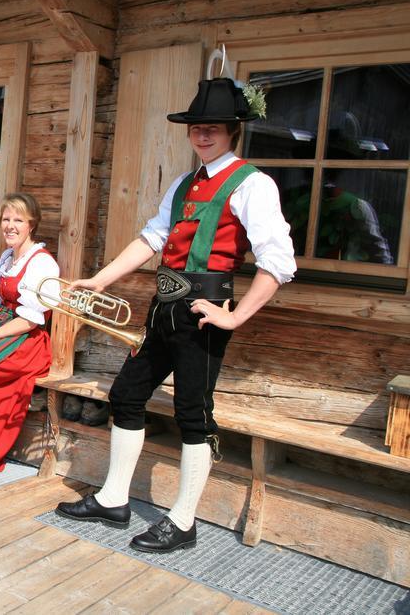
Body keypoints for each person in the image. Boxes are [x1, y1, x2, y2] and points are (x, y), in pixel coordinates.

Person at [55, 75, 296, 553]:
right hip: (162, 308)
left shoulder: (253, 184)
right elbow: (152, 239)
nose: (203, 135)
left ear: (233, 130)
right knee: (126, 395)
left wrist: (235, 316)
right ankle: (114, 498)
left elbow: (279, 261)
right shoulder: (186, 182)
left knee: (192, 414)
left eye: (214, 127)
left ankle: (183, 521)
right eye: (196, 128)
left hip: (205, 313)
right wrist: (100, 280)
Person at [0, 193, 60, 476]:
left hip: (26, 342)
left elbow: (30, 320)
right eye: (6, 219)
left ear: (32, 225)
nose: (10, 225)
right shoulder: (7, 257)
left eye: (18, 219)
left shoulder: (42, 264)